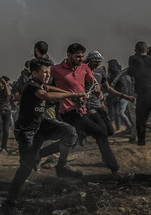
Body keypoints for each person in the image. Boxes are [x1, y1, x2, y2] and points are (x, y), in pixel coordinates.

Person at [0, 58, 86, 215]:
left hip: (40, 125)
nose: (48, 75)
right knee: (25, 169)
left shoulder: (41, 84)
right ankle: (9, 204)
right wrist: (72, 94)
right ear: (34, 73)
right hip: (27, 133)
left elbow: (49, 88)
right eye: (44, 72)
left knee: (70, 132)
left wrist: (63, 89)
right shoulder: (32, 86)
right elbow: (46, 95)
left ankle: (62, 165)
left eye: (49, 72)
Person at [51, 44, 122, 173]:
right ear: (69, 55)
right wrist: (65, 94)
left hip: (81, 110)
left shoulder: (84, 68)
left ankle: (38, 155)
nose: (80, 59)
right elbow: (45, 85)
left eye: (82, 56)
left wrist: (97, 91)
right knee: (101, 133)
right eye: (77, 56)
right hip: (68, 111)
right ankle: (114, 168)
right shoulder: (56, 69)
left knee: (70, 141)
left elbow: (94, 83)